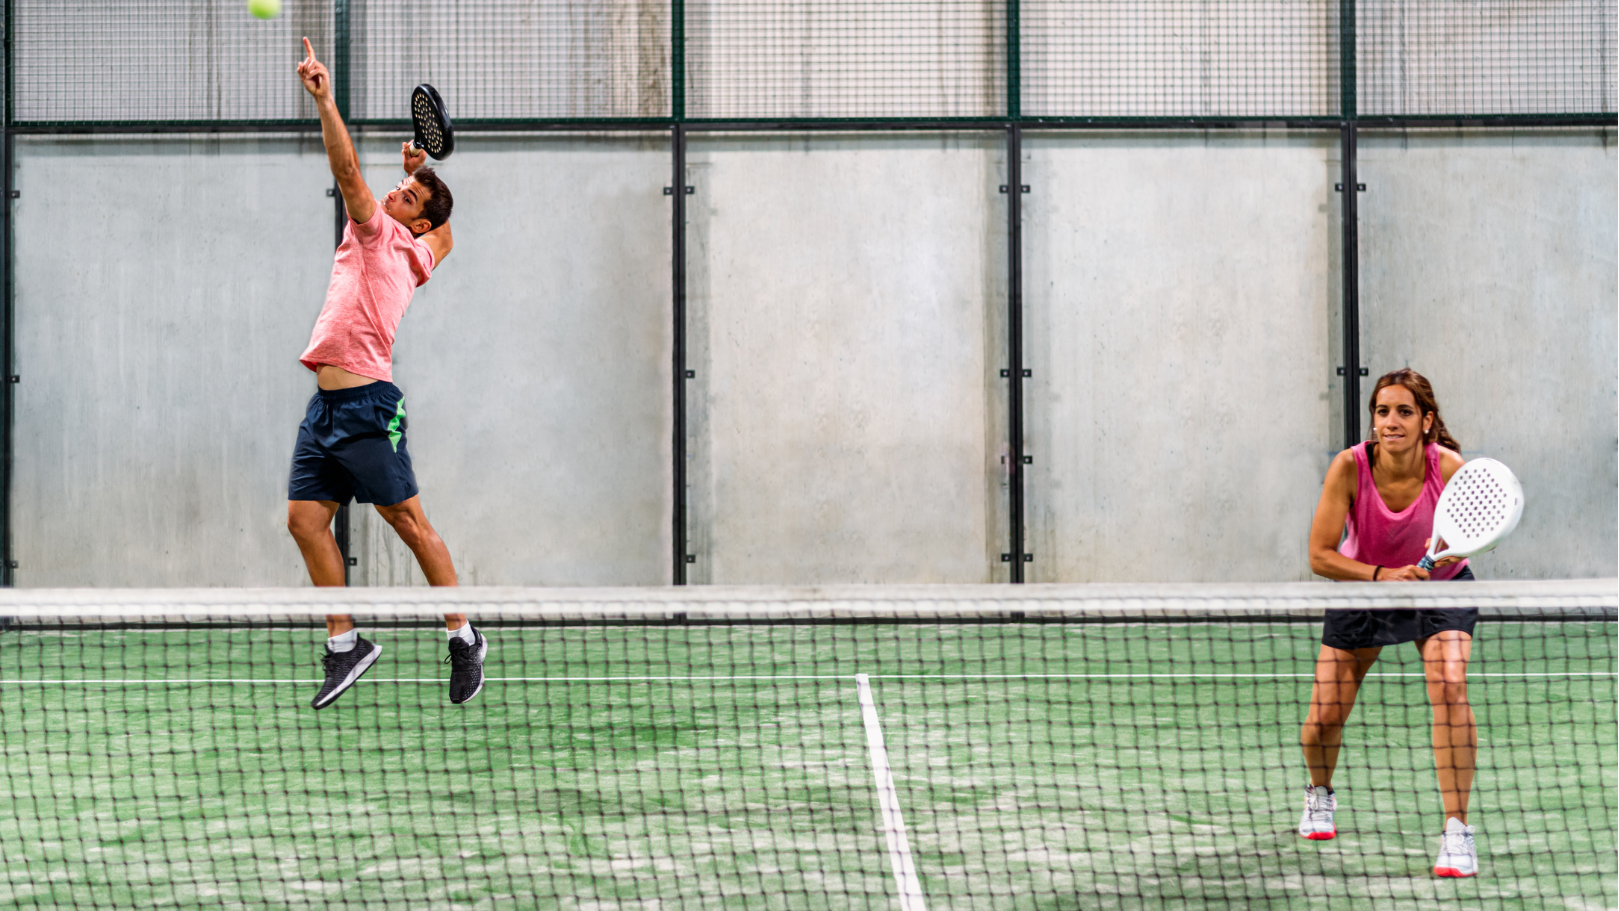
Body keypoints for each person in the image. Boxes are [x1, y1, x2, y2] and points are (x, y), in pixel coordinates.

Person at [288, 37, 486, 710]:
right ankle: (345, 644)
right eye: (399, 186)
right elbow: (449, 234)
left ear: (413, 219)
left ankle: (462, 635)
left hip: (369, 405)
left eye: (406, 193)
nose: (394, 190)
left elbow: (347, 173)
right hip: (324, 411)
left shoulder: (381, 235)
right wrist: (420, 169)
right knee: (304, 521)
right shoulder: (421, 250)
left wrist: (325, 100)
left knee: (407, 520)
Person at [1299, 368, 1479, 878]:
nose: (1391, 421)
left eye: (1404, 411)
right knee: (1321, 724)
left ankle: (1457, 831)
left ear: (1426, 421)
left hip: (1437, 594)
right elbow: (1319, 555)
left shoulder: (1449, 467)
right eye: (1383, 411)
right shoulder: (1349, 468)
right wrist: (1381, 575)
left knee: (1450, 686)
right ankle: (1319, 793)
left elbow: (1472, 535)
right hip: (1365, 590)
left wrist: (1444, 559)